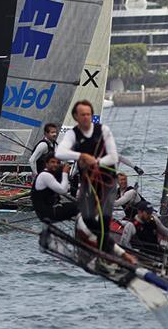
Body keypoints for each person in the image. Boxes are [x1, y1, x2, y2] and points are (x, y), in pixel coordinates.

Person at [56, 100, 118, 255]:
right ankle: (90, 246)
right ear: (76, 117)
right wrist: (81, 155)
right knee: (86, 216)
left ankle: (107, 250)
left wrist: (96, 161)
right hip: (88, 180)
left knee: (103, 217)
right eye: (82, 115)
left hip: (106, 179)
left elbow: (113, 157)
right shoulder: (73, 133)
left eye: (89, 114)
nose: (86, 117)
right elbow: (60, 153)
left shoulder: (103, 130)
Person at [32, 154, 78, 223]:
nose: (55, 164)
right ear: (46, 163)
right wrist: (65, 173)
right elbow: (63, 190)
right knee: (81, 207)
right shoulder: (45, 175)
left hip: (46, 212)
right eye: (52, 162)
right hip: (48, 213)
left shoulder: (49, 174)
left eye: (57, 163)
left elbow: (64, 187)